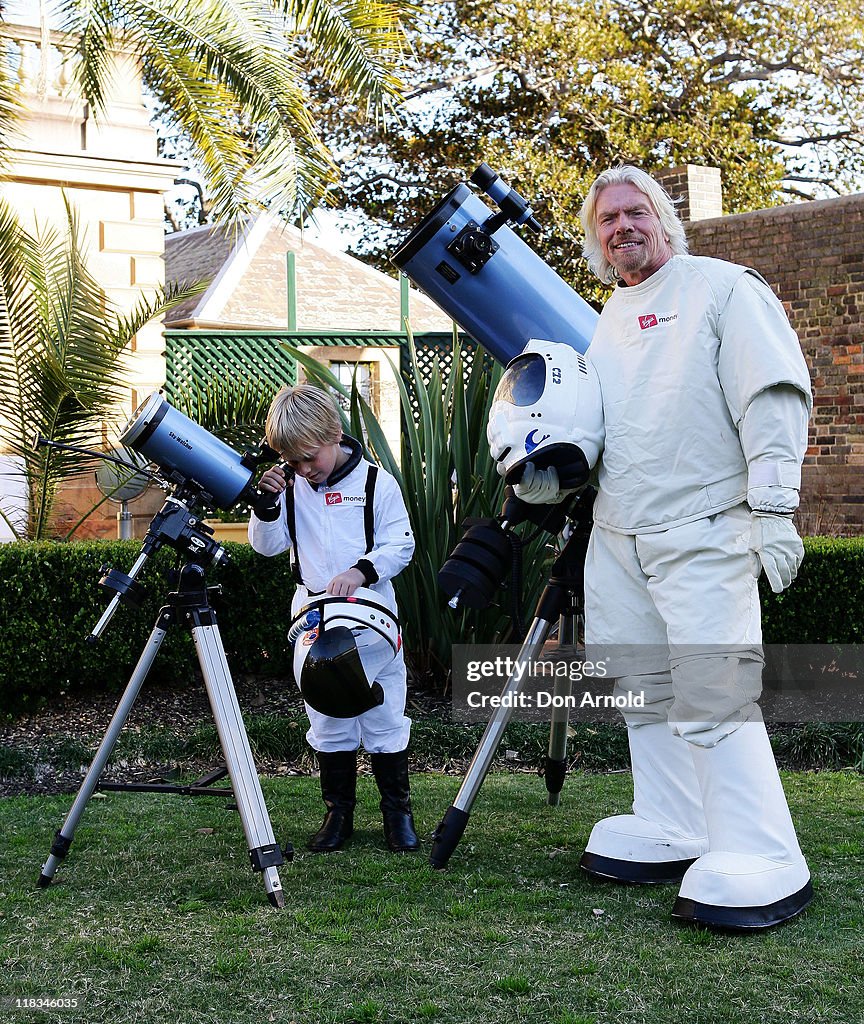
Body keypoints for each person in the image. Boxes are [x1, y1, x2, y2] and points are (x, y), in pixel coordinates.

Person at [515, 165, 814, 929]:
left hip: (706, 526)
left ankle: (763, 853)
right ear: (596, 240)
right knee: (642, 694)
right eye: (606, 220)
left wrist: (775, 509)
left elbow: (772, 391)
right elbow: (596, 429)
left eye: (633, 211)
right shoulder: (607, 319)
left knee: (715, 696)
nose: (622, 227)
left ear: (663, 220)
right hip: (620, 537)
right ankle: (676, 824)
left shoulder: (720, 287)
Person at [248, 383, 419, 854]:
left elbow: (399, 544)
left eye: (310, 458)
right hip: (313, 615)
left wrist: (361, 571)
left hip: (371, 615)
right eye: (292, 461)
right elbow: (268, 546)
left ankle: (397, 814)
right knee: (327, 715)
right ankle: (337, 814)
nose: (304, 470)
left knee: (384, 715)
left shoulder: (375, 483)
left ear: (334, 435)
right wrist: (266, 507)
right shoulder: (289, 486)